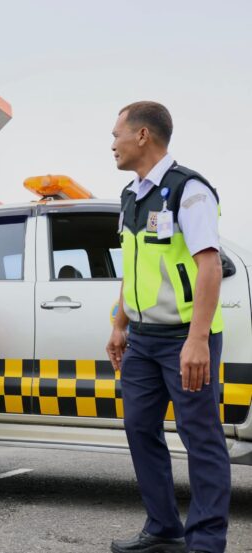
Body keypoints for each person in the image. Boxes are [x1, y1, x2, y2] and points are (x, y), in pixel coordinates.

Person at [106, 102, 230, 553]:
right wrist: (120, 325)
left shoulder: (189, 190)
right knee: (139, 428)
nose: (112, 144)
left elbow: (209, 266)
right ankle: (163, 527)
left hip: (185, 337)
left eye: (116, 134)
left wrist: (198, 339)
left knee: (202, 439)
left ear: (142, 136)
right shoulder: (130, 196)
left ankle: (206, 541)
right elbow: (133, 270)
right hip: (142, 339)